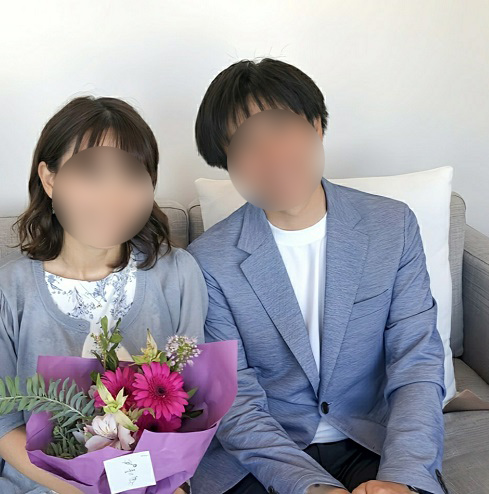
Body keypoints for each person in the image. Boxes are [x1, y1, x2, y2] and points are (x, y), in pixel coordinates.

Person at [187, 58, 450, 494]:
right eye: (244, 143)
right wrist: (311, 487)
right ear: (227, 164)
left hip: (372, 442)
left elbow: (416, 361)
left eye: (281, 127)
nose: (271, 155)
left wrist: (402, 476)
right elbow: (235, 401)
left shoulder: (391, 226)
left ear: (316, 125)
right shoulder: (208, 261)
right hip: (266, 457)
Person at [0, 96, 206, 494]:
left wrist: (168, 485)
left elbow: (191, 404)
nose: (113, 194)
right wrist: (86, 490)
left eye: (131, 174)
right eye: (90, 172)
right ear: (49, 178)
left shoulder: (177, 275)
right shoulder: (1, 294)